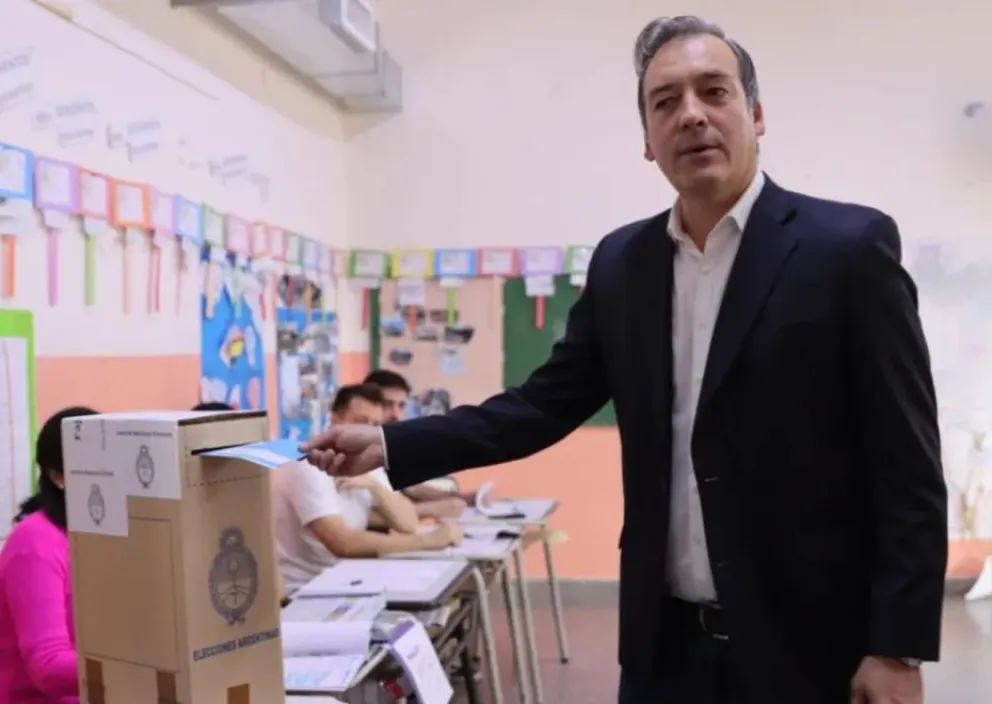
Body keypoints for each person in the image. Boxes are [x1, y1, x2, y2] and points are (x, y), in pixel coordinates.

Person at [303, 15, 948, 704]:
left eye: (714, 92)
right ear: (647, 139)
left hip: (811, 651)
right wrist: (388, 441)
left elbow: (907, 464)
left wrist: (897, 646)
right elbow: (538, 407)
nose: (691, 115)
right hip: (664, 653)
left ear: (757, 115)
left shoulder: (846, 250)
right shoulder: (624, 265)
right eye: (665, 102)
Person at [274, 383, 461, 594]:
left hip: (346, 581)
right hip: (305, 592)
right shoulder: (309, 463)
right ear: (335, 419)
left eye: (375, 425)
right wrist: (428, 541)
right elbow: (343, 543)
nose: (366, 432)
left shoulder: (364, 459)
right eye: (360, 422)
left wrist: (375, 487)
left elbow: (407, 522)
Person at [0, 406, 99, 704]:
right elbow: (48, 666)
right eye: (97, 467)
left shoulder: (107, 533)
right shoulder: (35, 543)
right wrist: (132, 664)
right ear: (58, 477)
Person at [364, 370, 475, 519]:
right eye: (387, 405)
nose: (396, 415)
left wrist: (458, 497)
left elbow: (407, 490)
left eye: (401, 406)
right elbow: (364, 516)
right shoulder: (357, 451)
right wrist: (433, 509)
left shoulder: (390, 446)